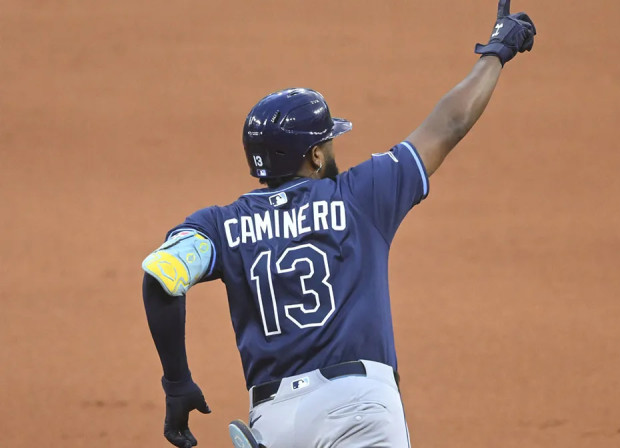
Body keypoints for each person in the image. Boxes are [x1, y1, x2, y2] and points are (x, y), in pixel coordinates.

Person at [141, 1, 535, 447]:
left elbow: (161, 276)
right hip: (358, 407)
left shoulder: (219, 226)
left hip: (275, 418)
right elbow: (449, 123)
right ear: (313, 156)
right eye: (328, 142)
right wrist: (495, 53)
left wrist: (177, 383)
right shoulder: (361, 195)